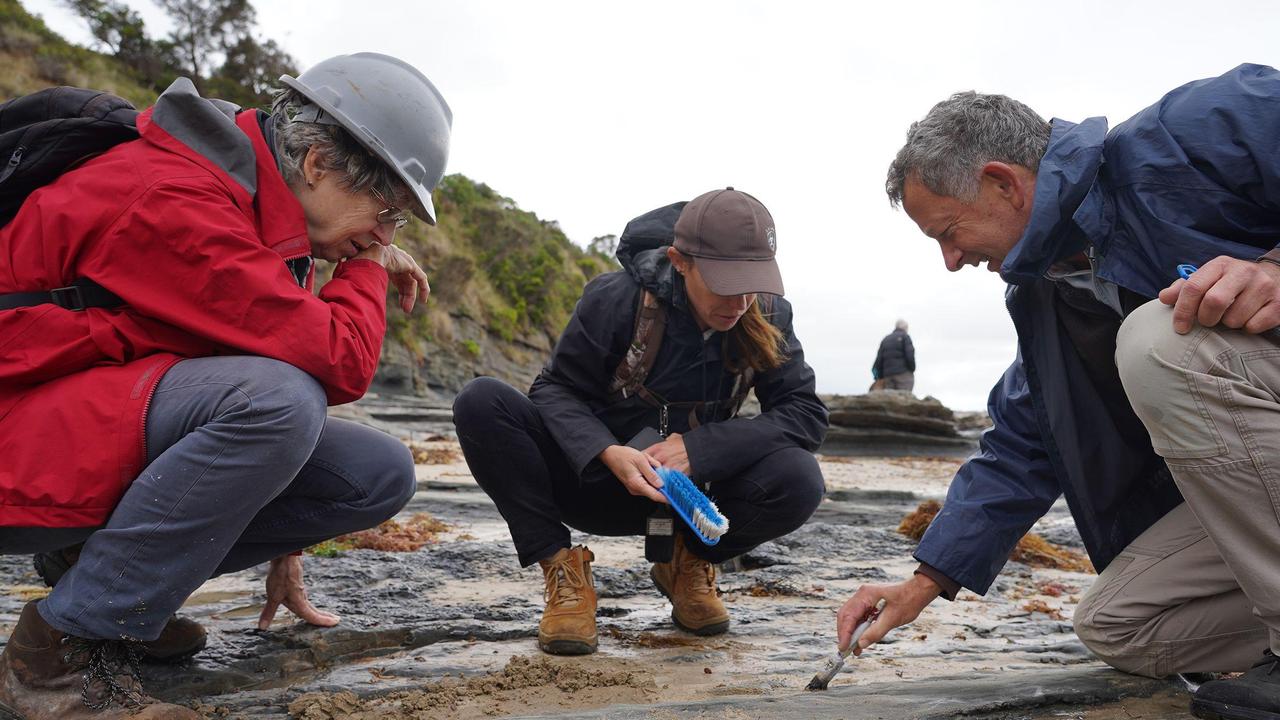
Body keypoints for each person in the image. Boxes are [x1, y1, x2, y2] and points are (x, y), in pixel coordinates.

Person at [0, 52, 452, 718]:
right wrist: (371, 270)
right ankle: (57, 654)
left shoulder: (254, 202)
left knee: (376, 472)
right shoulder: (175, 198)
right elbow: (338, 359)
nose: (383, 234)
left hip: (67, 419)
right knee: (276, 403)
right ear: (320, 164)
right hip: (17, 428)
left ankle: (95, 584)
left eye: (397, 225)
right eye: (385, 211)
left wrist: (285, 554)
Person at [835, 64, 1280, 720]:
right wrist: (925, 582)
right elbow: (1022, 442)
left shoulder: (1202, 131)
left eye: (947, 233)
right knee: (1119, 623)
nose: (951, 262)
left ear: (1001, 183)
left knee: (1160, 342)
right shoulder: (1048, 295)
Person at [453, 188, 828, 655]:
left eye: (751, 282)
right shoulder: (617, 299)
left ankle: (689, 564)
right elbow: (554, 389)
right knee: (481, 401)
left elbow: (804, 414)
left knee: (799, 477)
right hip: (600, 483)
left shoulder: (770, 314)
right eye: (724, 282)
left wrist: (701, 450)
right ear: (680, 261)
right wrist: (606, 452)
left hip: (697, 505)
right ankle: (563, 571)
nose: (739, 301)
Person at [871, 319, 916, 391]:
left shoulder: (885, 339)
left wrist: (881, 376)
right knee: (904, 397)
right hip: (903, 375)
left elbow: (879, 360)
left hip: (888, 376)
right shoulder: (905, 337)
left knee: (890, 399)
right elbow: (910, 355)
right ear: (905, 328)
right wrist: (912, 369)